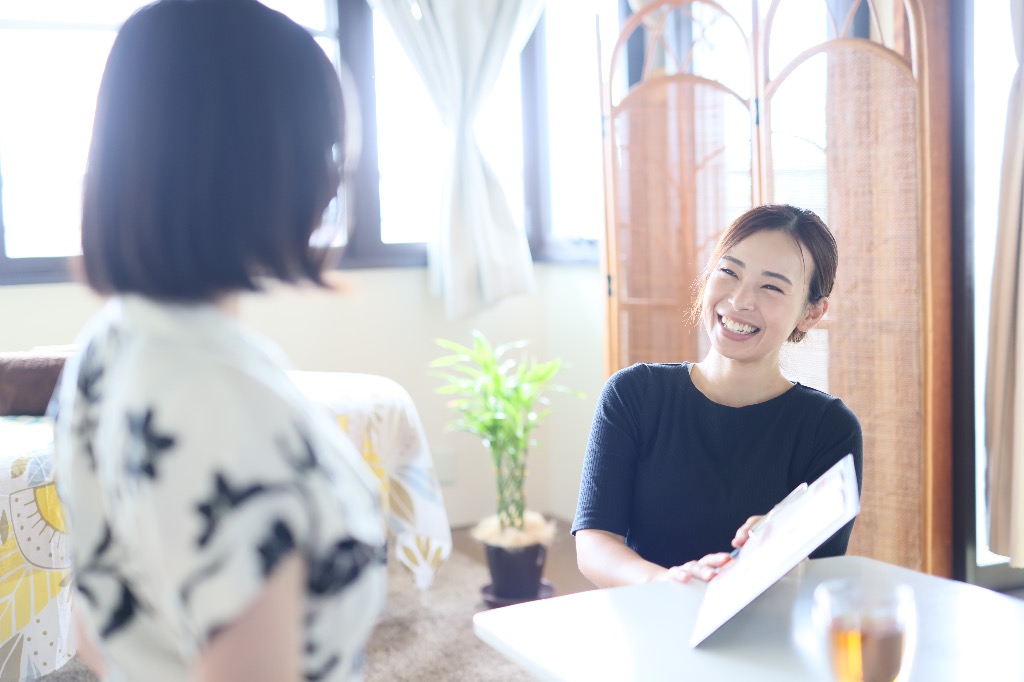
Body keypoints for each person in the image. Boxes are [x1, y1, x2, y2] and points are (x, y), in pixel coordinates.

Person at [51, 1, 386, 680]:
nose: (333, 176)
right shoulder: (221, 400)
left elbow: (96, 626)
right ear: (262, 160)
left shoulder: (108, 344)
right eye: (324, 146)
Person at [572, 204, 863, 587]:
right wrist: (669, 584)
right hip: (647, 619)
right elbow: (594, 543)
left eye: (772, 286)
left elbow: (819, 575)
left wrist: (783, 552)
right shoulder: (634, 394)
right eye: (729, 272)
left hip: (761, 636)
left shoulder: (829, 429)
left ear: (811, 313)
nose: (740, 300)